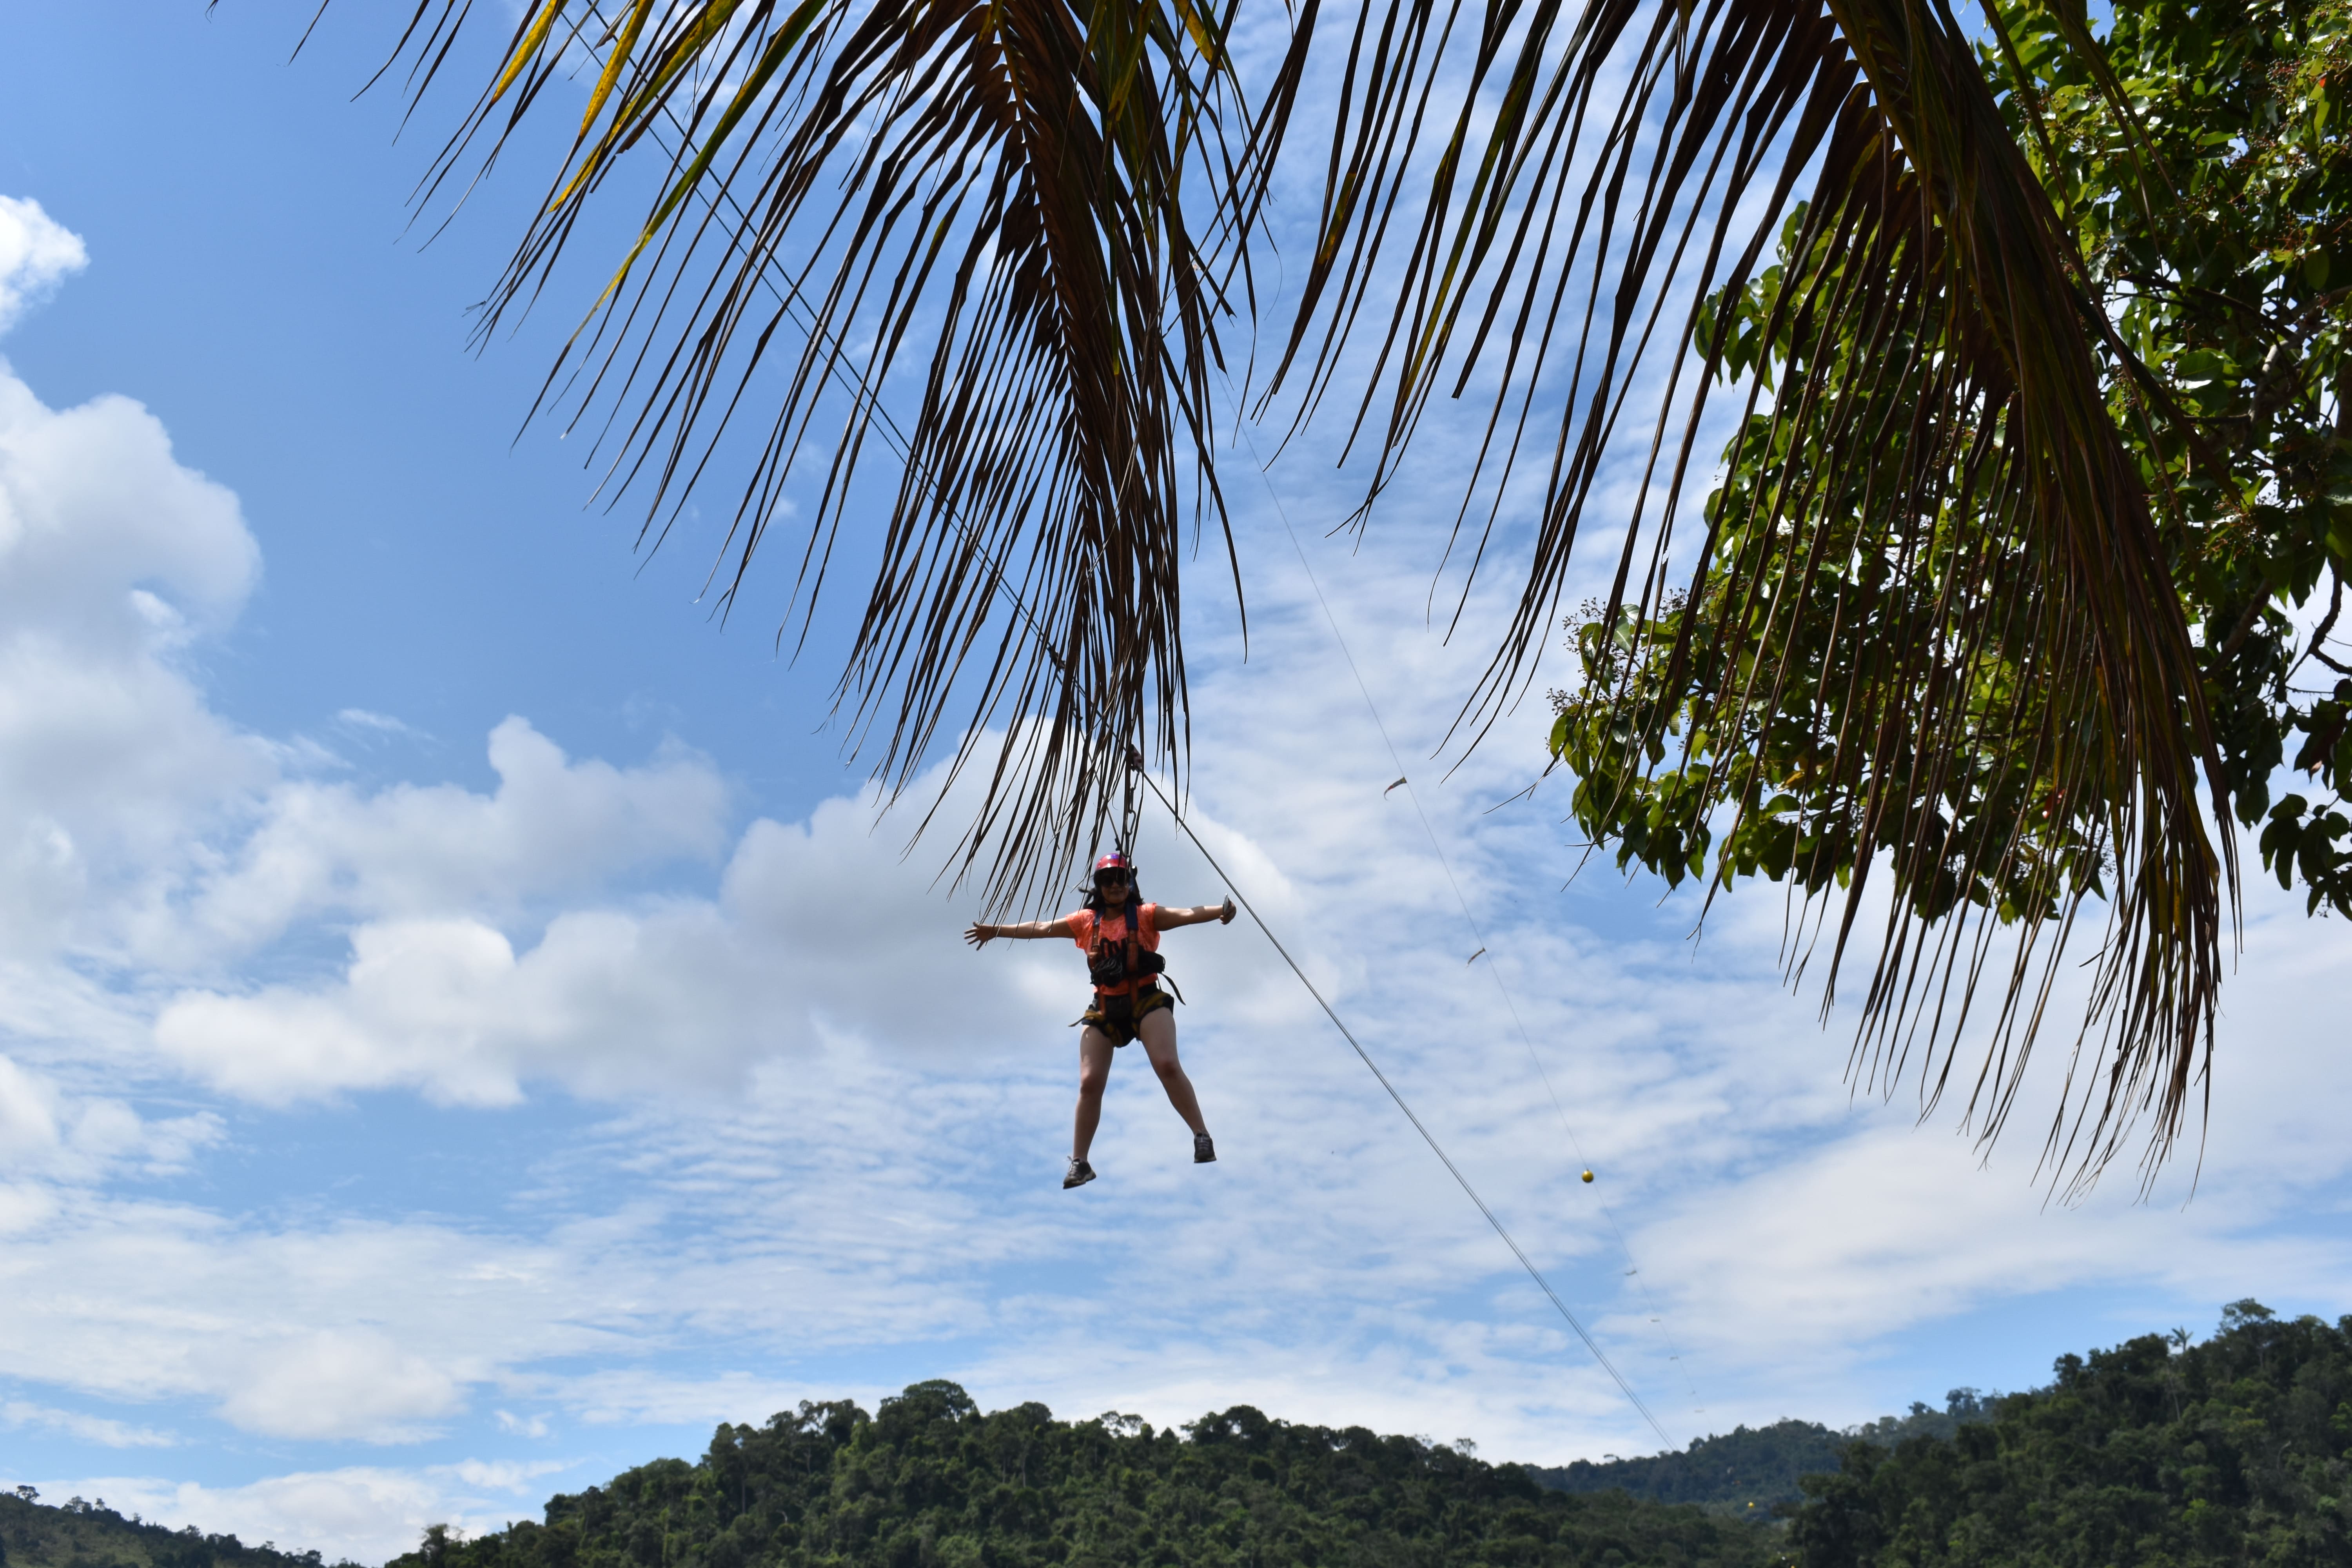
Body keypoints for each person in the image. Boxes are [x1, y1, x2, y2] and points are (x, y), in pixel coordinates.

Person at [965, 851, 1236, 1188]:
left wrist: (1220, 911)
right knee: (1090, 1081)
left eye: (1121, 879)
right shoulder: (1086, 923)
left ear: (1130, 882)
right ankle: (1080, 1162)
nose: (1115, 886)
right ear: (1099, 887)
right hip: (1106, 1007)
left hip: (1146, 1000)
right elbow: (1042, 927)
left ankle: (1201, 1135)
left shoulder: (1146, 916)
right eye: (1107, 881)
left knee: (1167, 1064)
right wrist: (998, 931)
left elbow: (1185, 914)